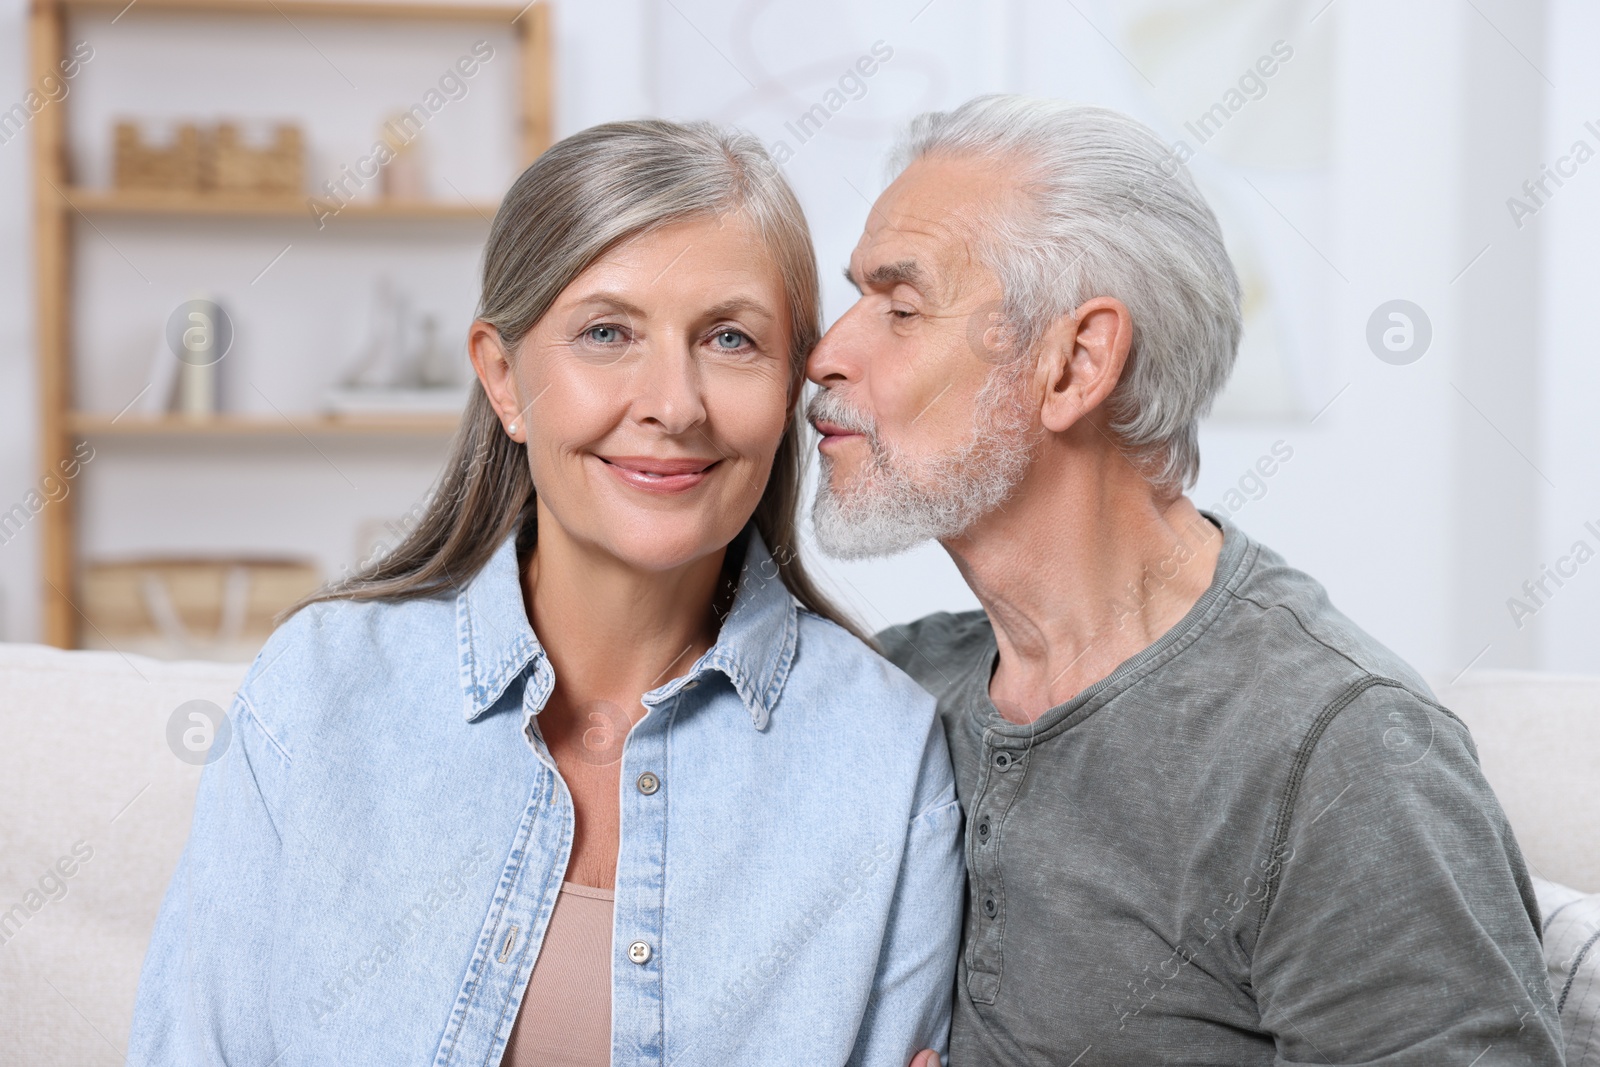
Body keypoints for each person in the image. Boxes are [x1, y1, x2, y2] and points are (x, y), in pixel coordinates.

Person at [127, 119, 963, 1067]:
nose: (674, 404)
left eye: (731, 339)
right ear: (503, 377)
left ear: (787, 389)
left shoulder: (886, 754)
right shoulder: (317, 691)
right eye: (607, 332)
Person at [805, 95, 1564, 1065]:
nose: (827, 351)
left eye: (899, 308)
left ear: (1075, 363)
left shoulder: (1339, 751)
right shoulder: (894, 692)